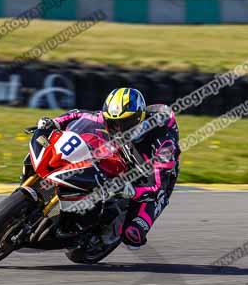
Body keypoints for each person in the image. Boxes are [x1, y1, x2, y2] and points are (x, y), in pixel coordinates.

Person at [37, 87, 179, 248]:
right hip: (123, 153)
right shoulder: (108, 119)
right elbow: (79, 114)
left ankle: (111, 227)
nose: (117, 128)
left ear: (138, 119)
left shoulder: (163, 145)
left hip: (153, 177)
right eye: (113, 123)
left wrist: (132, 191)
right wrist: (54, 122)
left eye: (124, 123)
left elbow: (157, 187)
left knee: (133, 235)